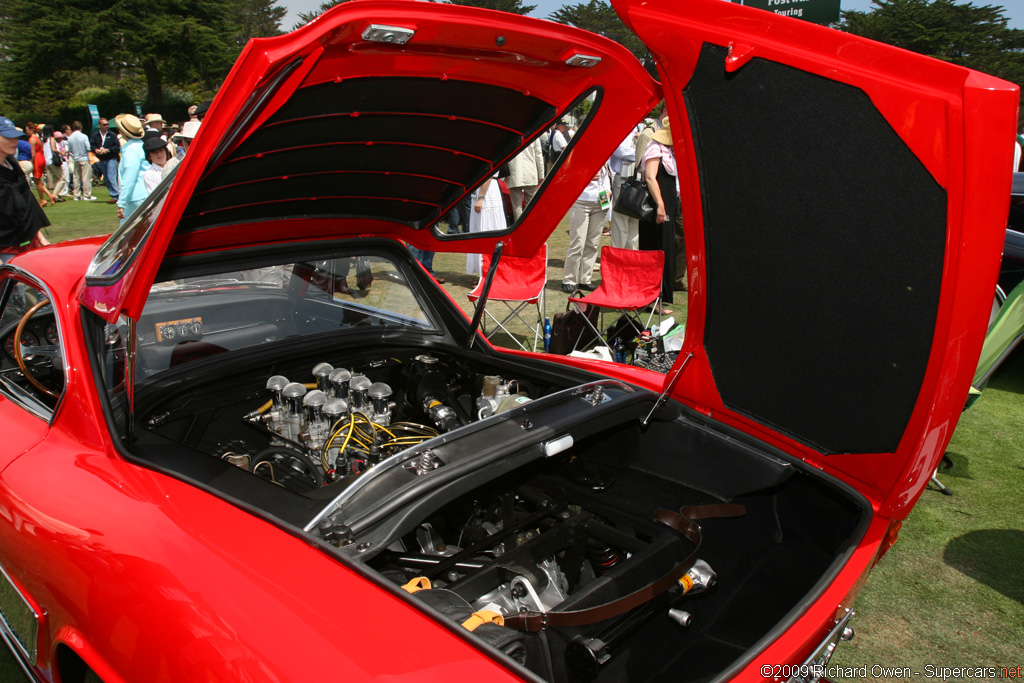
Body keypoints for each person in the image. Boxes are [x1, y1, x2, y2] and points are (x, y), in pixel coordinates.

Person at [639, 120, 678, 313]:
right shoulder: (655, 148)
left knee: (665, 248)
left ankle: (661, 296)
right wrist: (661, 205)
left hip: (668, 204)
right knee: (656, 250)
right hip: (657, 207)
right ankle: (652, 300)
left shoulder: (668, 151)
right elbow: (650, 177)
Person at [0, 117, 51, 262]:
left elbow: (28, 203)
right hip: (6, 246)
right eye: (8, 137)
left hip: (27, 240)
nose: (15, 141)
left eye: (16, 137)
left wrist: (40, 237)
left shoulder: (12, 164)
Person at [561, 164, 611, 293]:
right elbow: (568, 177)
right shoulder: (582, 154)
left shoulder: (606, 155)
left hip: (601, 201)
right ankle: (569, 279)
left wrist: (608, 190)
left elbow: (606, 177)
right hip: (581, 201)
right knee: (578, 242)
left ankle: (585, 279)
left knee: (593, 243)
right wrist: (585, 176)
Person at [609, 124, 642, 250]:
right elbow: (620, 150)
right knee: (620, 221)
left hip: (637, 177)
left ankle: (630, 257)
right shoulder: (620, 128)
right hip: (623, 178)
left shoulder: (639, 128)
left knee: (634, 221)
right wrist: (641, 154)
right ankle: (618, 255)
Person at [466, 174, 505, 275]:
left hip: (487, 193)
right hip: (480, 191)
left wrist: (481, 197)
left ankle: (488, 271)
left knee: (487, 228)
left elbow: (489, 174)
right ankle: (483, 271)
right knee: (478, 228)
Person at [115, 114, 148, 224]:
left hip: (137, 195)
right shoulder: (140, 146)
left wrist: (121, 203)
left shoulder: (131, 150)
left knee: (128, 231)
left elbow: (130, 176)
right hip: (141, 194)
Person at [506, 138, 545, 220]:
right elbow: (538, 155)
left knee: (517, 206)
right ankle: (531, 224)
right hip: (530, 172)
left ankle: (519, 227)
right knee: (531, 205)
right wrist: (541, 174)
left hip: (514, 172)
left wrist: (503, 174)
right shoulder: (534, 135)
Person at [28, 124, 59, 207]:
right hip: (42, 158)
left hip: (37, 160)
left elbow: (33, 153)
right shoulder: (38, 138)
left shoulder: (32, 139)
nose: (26, 131)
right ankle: (50, 195)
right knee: (38, 181)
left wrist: (30, 162)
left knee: (37, 181)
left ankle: (42, 199)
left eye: (27, 130)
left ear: (31, 130)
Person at [91, 117, 120, 205]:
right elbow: (92, 145)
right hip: (102, 159)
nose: (106, 126)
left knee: (111, 176)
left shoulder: (112, 134)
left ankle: (117, 196)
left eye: (107, 124)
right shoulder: (95, 135)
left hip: (111, 158)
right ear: (100, 125)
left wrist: (108, 150)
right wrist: (95, 150)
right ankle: (114, 195)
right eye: (104, 125)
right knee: (106, 178)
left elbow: (117, 147)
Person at [67, 121, 95, 201]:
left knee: (76, 177)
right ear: (81, 127)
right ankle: (87, 195)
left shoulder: (70, 137)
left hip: (75, 158)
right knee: (86, 177)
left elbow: (69, 149)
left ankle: (76, 195)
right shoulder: (84, 136)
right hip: (84, 158)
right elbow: (88, 147)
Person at [45, 128, 67, 200]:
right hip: (53, 161)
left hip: (47, 162)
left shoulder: (43, 140)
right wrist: (62, 153)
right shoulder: (51, 139)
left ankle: (57, 196)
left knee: (55, 179)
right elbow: (53, 149)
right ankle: (55, 195)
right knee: (62, 178)